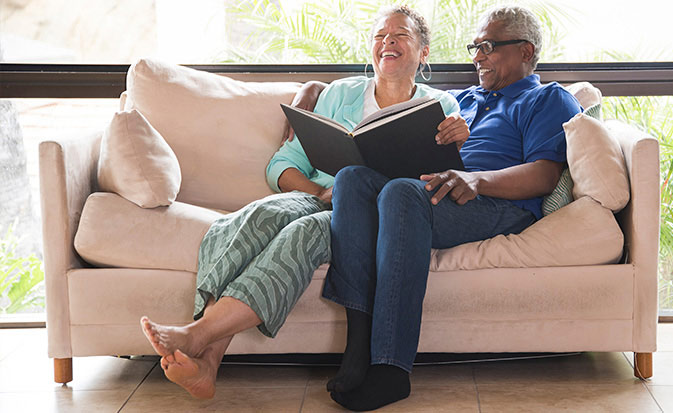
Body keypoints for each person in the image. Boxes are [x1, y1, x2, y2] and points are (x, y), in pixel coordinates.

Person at [138, 5, 468, 400]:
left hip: (370, 220)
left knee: (302, 235)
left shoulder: (443, 108)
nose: (387, 42)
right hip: (320, 196)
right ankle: (208, 361)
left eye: (399, 35)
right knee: (253, 217)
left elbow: (437, 183)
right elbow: (282, 165)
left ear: (424, 51)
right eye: (379, 36)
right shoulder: (340, 95)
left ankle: (199, 338)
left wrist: (457, 143)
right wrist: (317, 192)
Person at [316, 5, 584, 411]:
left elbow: (546, 174)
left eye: (489, 47)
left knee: (401, 194)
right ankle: (357, 347)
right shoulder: (462, 100)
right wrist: (313, 91)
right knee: (353, 177)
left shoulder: (548, 98)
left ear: (526, 51)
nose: (477, 56)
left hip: (496, 202)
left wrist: (477, 180)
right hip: (441, 193)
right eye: (475, 47)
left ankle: (391, 368)